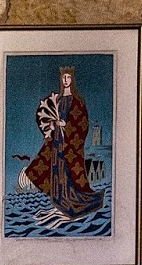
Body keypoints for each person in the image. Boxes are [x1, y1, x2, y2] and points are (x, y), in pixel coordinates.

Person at [16, 66, 102, 228]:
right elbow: (46, 119)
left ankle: (72, 206)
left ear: (72, 80)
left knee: (69, 176)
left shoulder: (78, 101)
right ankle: (60, 205)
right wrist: (52, 124)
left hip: (71, 147)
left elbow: (83, 124)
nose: (65, 80)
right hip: (57, 146)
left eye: (68, 77)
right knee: (57, 174)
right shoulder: (58, 100)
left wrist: (66, 124)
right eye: (63, 77)